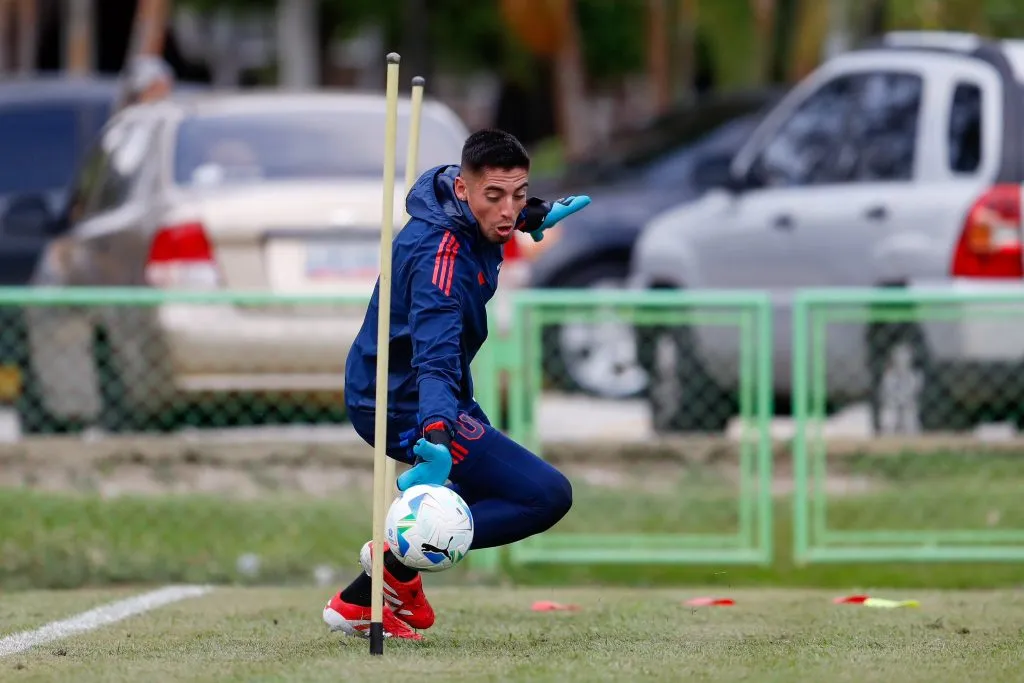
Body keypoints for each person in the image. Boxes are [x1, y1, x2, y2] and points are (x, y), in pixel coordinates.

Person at [322, 129, 590, 640]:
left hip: (417, 388)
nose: (508, 210)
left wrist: (531, 216)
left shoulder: (459, 205)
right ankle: (395, 561)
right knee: (545, 496)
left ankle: (368, 593)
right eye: (495, 197)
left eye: (519, 194)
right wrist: (438, 434)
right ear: (465, 192)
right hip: (402, 398)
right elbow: (435, 357)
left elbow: (493, 217)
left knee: (481, 491)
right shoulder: (437, 259)